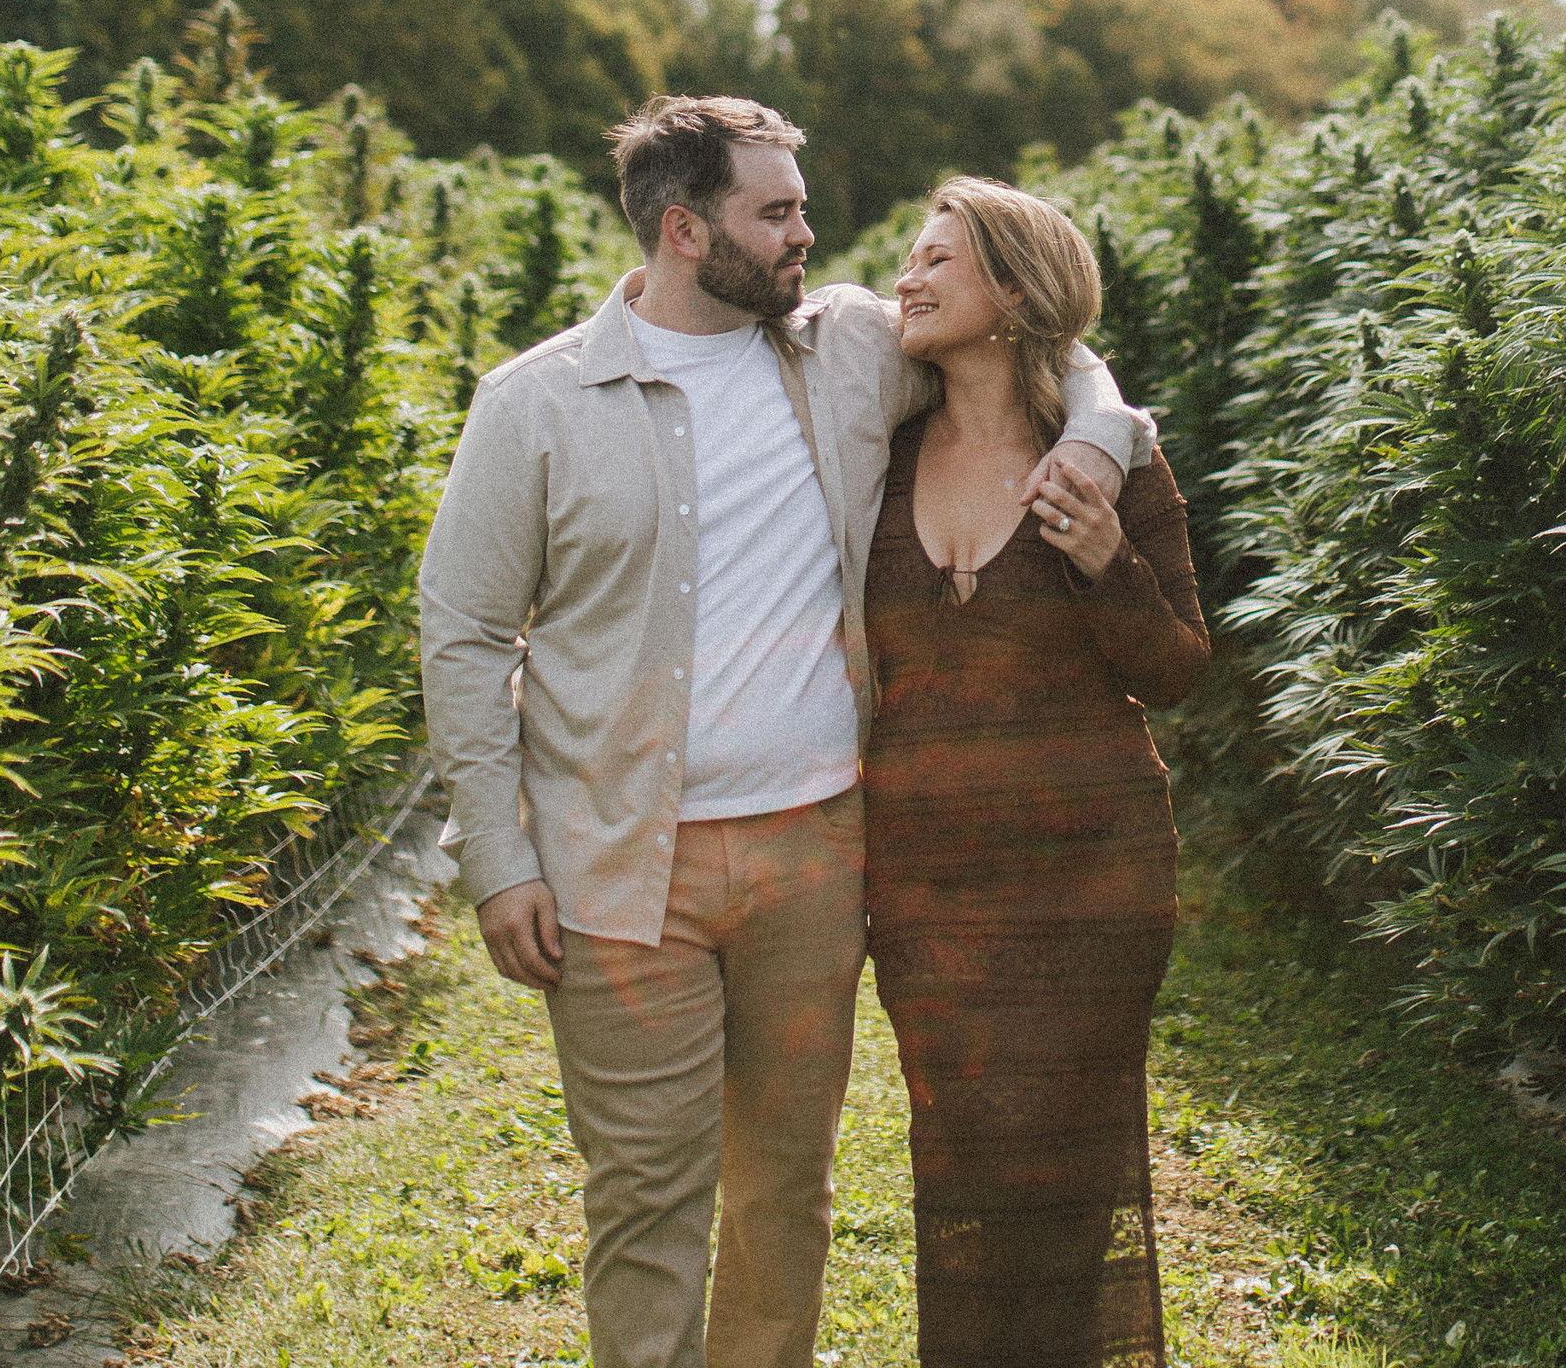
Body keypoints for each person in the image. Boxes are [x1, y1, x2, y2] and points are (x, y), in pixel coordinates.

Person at [417, 97, 1147, 1368]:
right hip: (616, 869)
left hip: (812, 856)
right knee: (644, 1194)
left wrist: (1093, 439)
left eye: (801, 206)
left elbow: (1052, 340)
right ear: (685, 229)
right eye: (776, 212)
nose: (807, 233)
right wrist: (498, 857)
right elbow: (465, 633)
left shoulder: (849, 345)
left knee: (782, 1190)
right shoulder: (536, 403)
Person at [862, 175, 1210, 1368]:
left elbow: (1176, 667)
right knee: (958, 1152)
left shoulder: (1112, 467)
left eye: (934, 260)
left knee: (1067, 1164)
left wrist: (1109, 560)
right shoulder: (875, 457)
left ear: (1012, 293)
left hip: (1090, 883)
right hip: (925, 886)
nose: (905, 278)